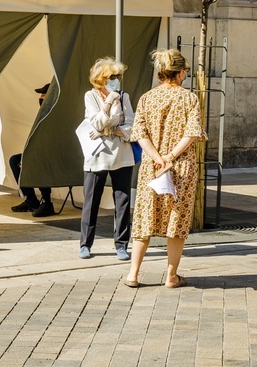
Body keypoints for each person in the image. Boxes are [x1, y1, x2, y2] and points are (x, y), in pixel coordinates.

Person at [123, 49, 204, 289]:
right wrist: (170, 156)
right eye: (186, 72)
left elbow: (140, 134)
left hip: (153, 167)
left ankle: (133, 274)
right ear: (180, 73)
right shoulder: (189, 98)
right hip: (180, 167)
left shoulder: (147, 98)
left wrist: (157, 157)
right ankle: (171, 276)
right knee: (176, 221)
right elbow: (192, 133)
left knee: (144, 218)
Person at [78, 58, 135, 260]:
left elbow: (131, 125)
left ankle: (122, 245)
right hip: (97, 155)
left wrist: (114, 130)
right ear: (101, 78)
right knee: (91, 200)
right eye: (112, 77)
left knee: (123, 201)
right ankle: (85, 244)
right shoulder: (90, 96)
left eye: (118, 77)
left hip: (122, 155)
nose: (116, 80)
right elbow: (96, 122)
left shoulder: (124, 96)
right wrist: (109, 102)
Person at [9, 83, 56, 218]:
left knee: (40, 161)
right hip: (40, 151)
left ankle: (47, 203)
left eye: (43, 95)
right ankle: (31, 199)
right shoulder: (43, 113)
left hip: (52, 154)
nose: (41, 98)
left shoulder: (54, 113)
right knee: (15, 160)